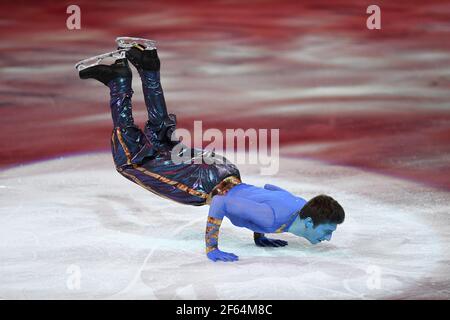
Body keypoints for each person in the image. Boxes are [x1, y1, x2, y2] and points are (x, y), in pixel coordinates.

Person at [77, 42, 345, 262]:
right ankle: (119, 80)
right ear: (309, 223)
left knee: (159, 140)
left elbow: (269, 189)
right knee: (130, 162)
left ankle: (148, 63)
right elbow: (221, 204)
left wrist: (260, 234)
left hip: (222, 169)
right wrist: (212, 247)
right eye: (328, 230)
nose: (328, 237)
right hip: (204, 186)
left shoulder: (298, 205)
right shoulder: (272, 218)